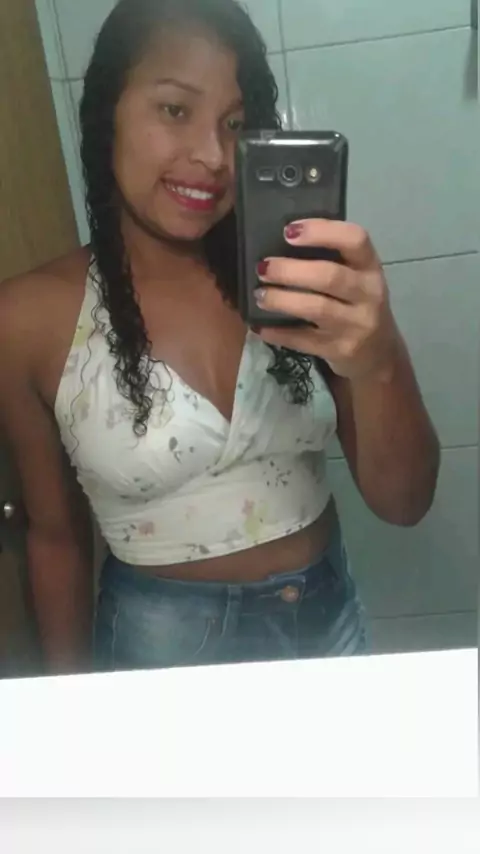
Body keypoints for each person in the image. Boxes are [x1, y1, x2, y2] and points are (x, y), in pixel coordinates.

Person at [0, 0, 439, 675]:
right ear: (106, 114)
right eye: (175, 109)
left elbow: (405, 503)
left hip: (329, 629)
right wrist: (70, 707)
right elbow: (56, 539)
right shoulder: (28, 316)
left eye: (234, 124)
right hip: (159, 652)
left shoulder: (292, 279)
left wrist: (380, 358)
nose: (212, 156)